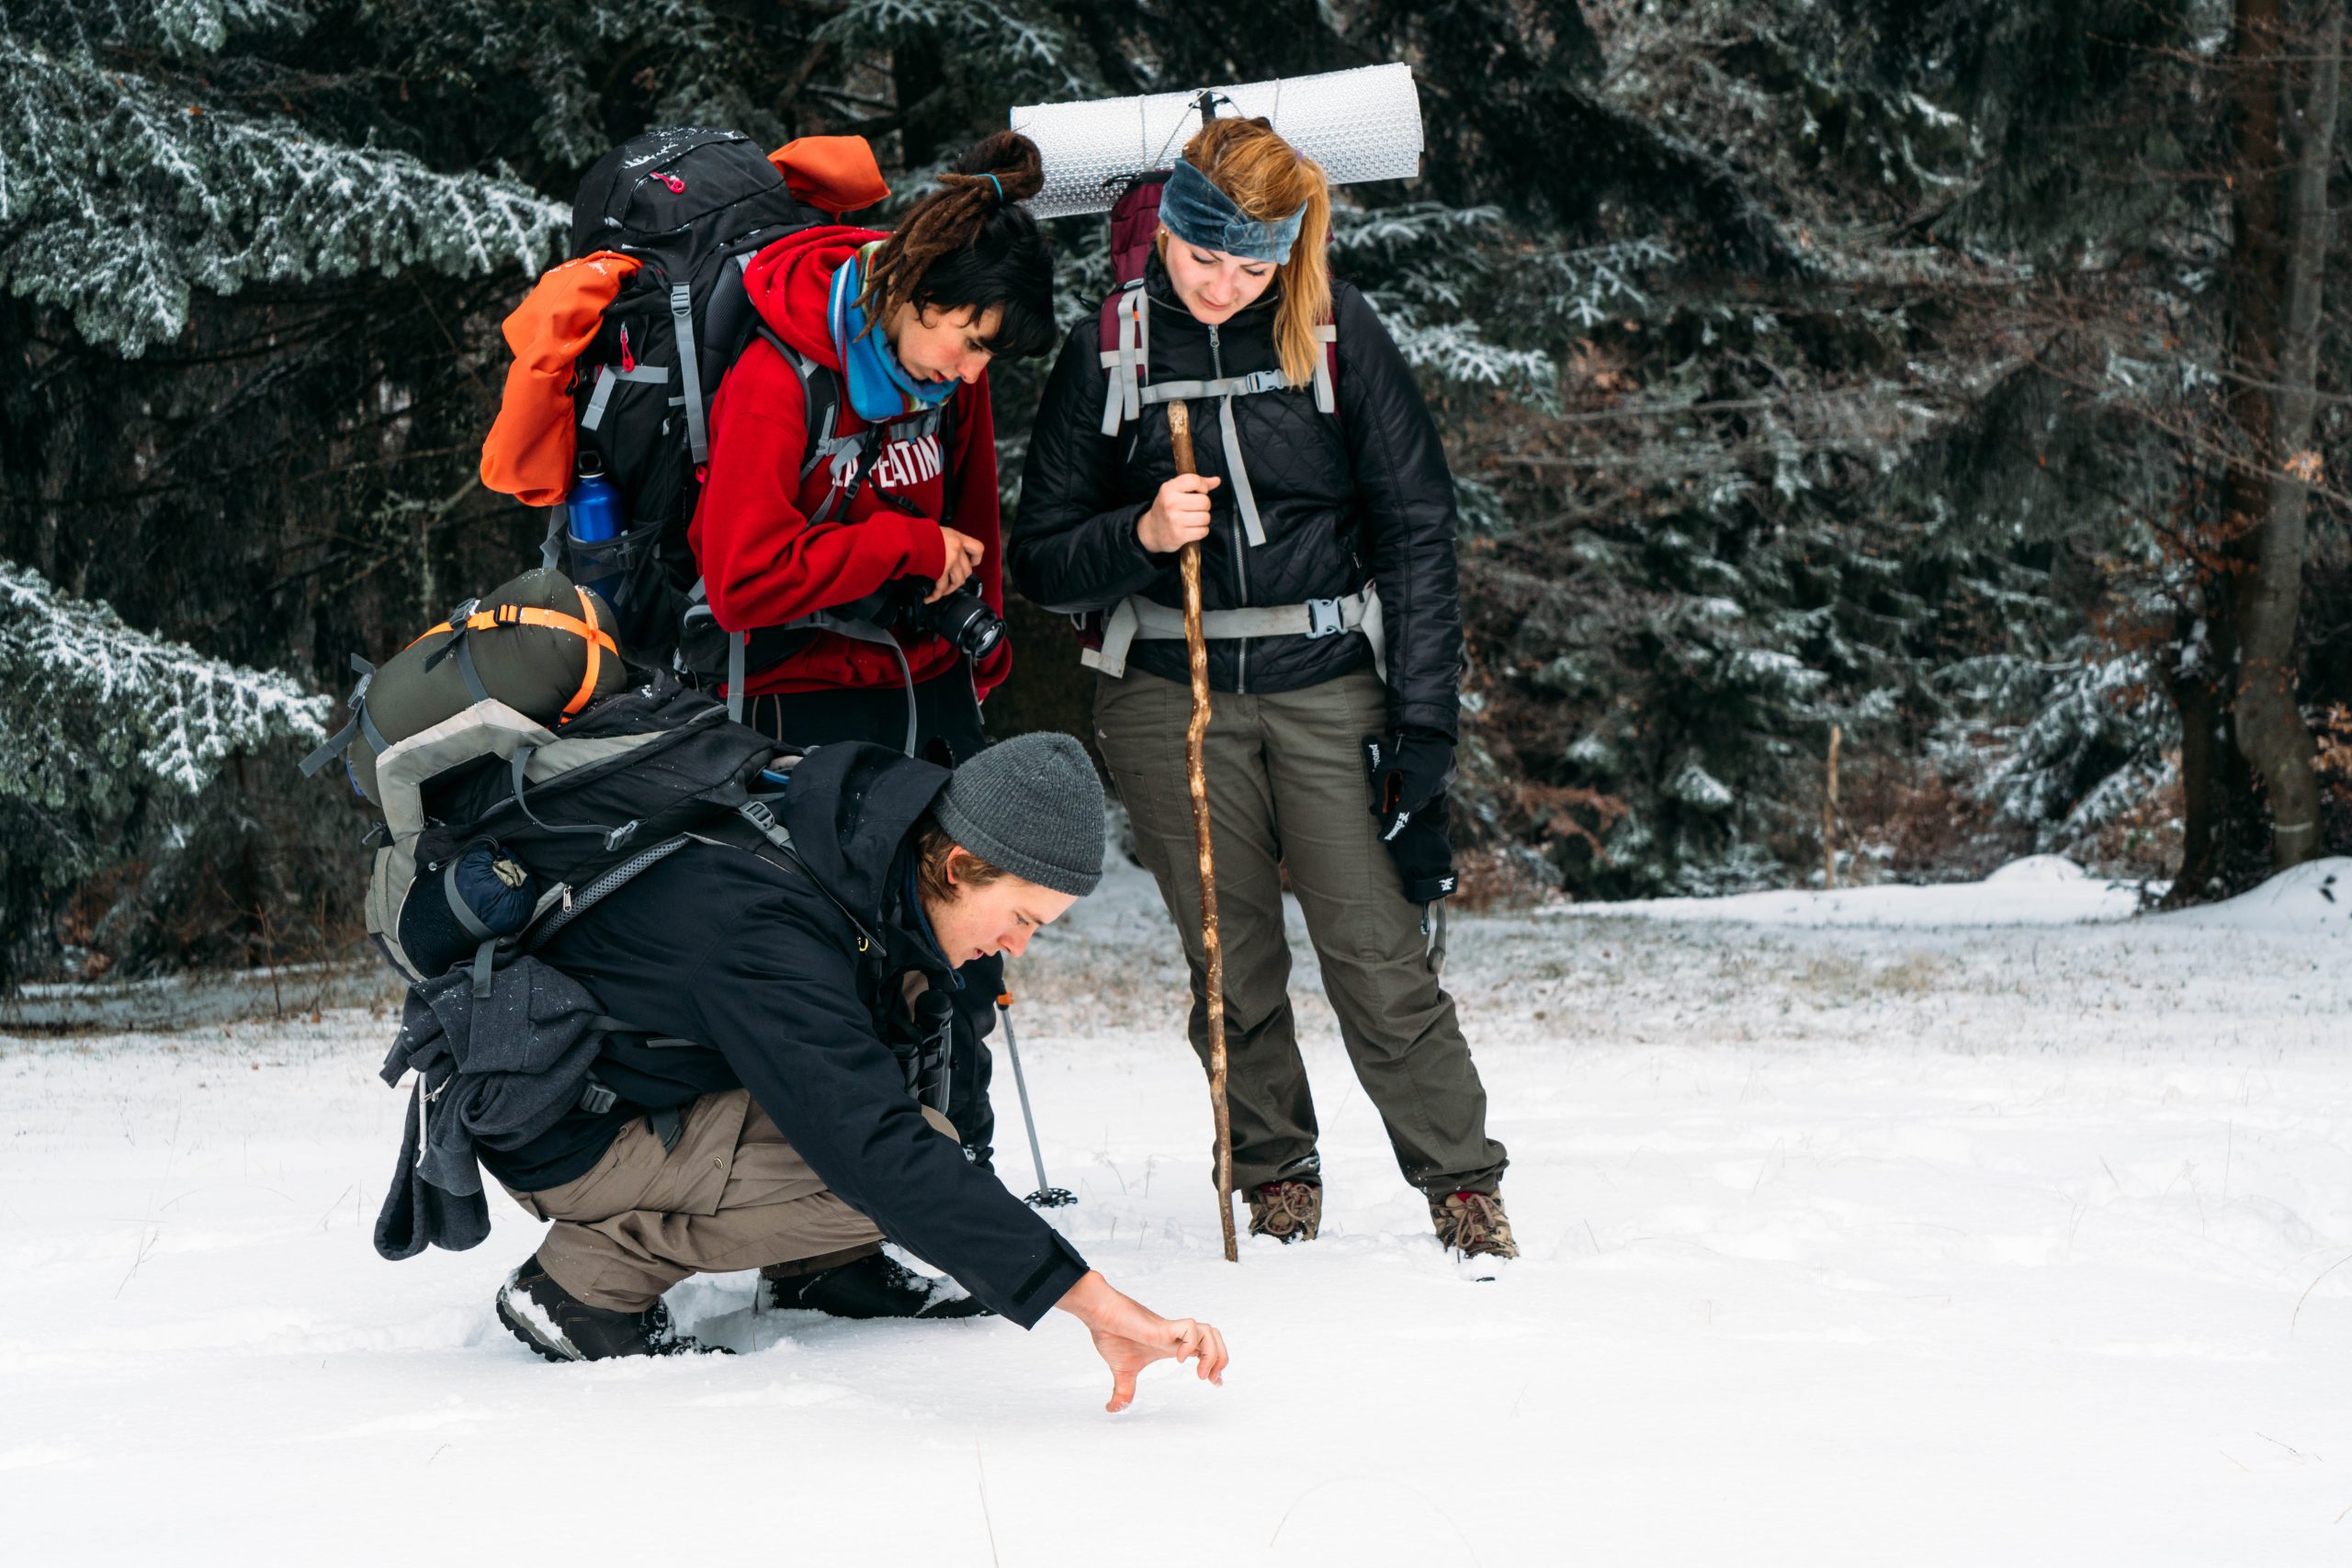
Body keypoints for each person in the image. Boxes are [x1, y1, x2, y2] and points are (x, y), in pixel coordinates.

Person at [1010, 118, 1516, 1261]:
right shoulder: (1110, 348)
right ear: (1170, 231)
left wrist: (1425, 728)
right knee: (1227, 959)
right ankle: (1273, 1173)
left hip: (1327, 681)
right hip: (1163, 689)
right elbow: (1038, 555)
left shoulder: (1334, 332)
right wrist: (1138, 533)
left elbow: (1416, 532)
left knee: (1375, 949)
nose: (1227, 288)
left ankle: (1462, 1186)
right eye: (1204, 260)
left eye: (1253, 267)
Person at [487, 731, 1228, 1410]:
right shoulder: (769, 923)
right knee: (895, 1167)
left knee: (915, 1130)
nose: (1019, 945)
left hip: (654, 1084)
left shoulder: (855, 846)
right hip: (570, 1130)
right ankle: (581, 1282)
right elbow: (873, 1148)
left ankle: (821, 1269)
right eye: (1022, 917)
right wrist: (1093, 1301)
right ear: (959, 863)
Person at [688, 130, 1058, 1174]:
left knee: (965, 944)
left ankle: (962, 1175)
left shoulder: (950, 386)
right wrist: (896, 544)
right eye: (974, 340)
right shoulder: (778, 375)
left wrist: (975, 657)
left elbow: (973, 509)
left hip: (926, 689)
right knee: (844, 959)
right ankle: (840, 1224)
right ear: (919, 296)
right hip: (802, 707)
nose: (975, 369)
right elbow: (741, 577)